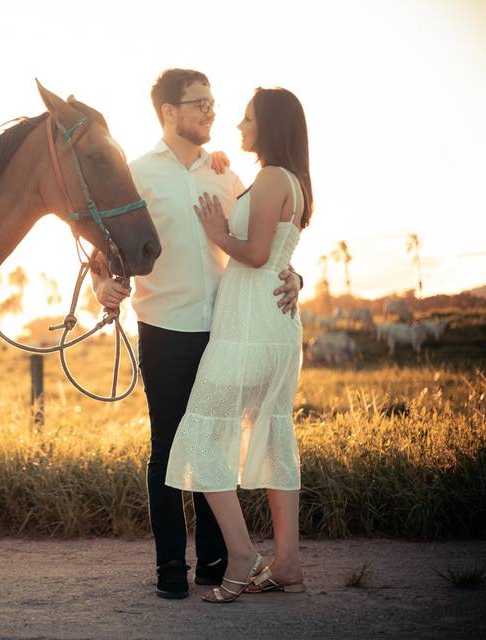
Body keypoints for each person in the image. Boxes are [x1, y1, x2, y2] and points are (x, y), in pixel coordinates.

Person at [91, 69, 301, 599]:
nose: (211, 112)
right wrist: (103, 287)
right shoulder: (135, 174)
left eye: (213, 102)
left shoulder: (228, 175)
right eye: (199, 103)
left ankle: (216, 562)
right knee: (167, 446)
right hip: (165, 327)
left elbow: (264, 242)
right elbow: (102, 253)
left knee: (217, 445)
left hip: (230, 329)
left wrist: (296, 277)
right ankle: (170, 569)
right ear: (168, 111)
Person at [164, 86, 313, 603]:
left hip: (250, 327)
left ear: (269, 125)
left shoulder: (273, 178)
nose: (240, 126)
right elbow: (278, 255)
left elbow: (253, 254)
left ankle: (242, 552)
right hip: (268, 324)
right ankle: (288, 560)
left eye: (248, 119)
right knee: (272, 433)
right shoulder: (282, 178)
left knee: (202, 434)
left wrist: (217, 231)